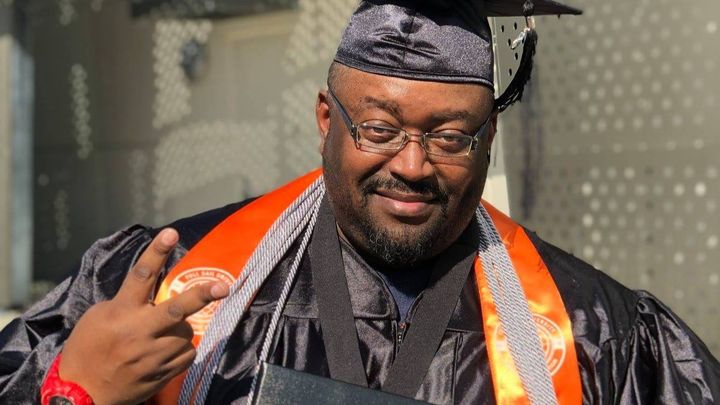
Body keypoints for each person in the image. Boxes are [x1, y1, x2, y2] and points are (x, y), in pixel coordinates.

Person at [2, 0, 720, 404]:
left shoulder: (600, 332)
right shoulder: (164, 285)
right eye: (378, 128)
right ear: (326, 118)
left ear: (490, 137)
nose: (412, 165)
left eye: (450, 136)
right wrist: (70, 391)